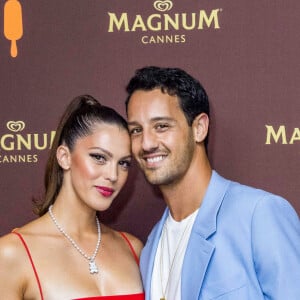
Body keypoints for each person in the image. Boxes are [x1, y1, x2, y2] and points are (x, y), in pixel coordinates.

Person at [125, 66, 300, 300]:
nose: (146, 143)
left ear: (199, 128)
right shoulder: (149, 251)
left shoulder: (258, 215)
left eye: (161, 126)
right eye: (136, 130)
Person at [0, 95, 145, 300]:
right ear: (64, 157)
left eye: (123, 163)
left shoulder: (133, 249)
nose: (113, 175)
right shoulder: (12, 254)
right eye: (99, 157)